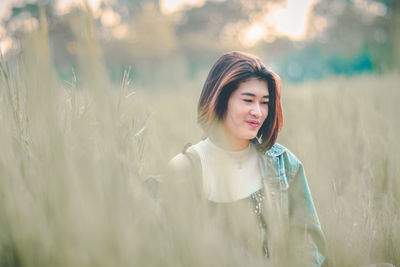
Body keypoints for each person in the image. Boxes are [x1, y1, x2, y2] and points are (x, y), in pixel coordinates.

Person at [167, 51, 327, 266]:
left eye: (264, 103)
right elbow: (168, 250)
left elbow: (308, 245)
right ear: (221, 100)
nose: (258, 112)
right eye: (248, 100)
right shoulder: (184, 169)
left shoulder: (284, 165)